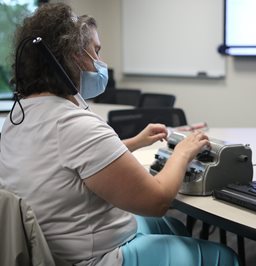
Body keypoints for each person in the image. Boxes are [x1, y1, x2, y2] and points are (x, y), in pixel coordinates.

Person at [0, 3, 239, 266]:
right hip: (96, 257)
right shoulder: (75, 125)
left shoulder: (17, 119)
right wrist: (182, 153)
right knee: (222, 257)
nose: (100, 62)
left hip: (56, 247)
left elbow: (65, 164)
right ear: (74, 55)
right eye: (96, 51)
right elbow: (157, 200)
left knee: (170, 227)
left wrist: (135, 142)